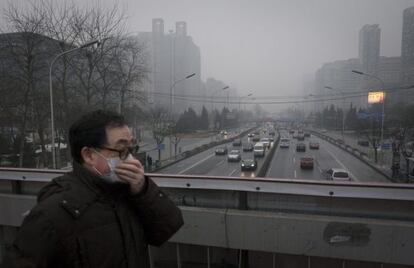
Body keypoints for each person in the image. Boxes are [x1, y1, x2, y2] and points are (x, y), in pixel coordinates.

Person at [6, 110, 183, 267]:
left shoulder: (128, 192)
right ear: (89, 155)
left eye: (131, 149)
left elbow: (167, 229)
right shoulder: (53, 211)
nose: (130, 159)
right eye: (121, 150)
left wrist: (143, 189)